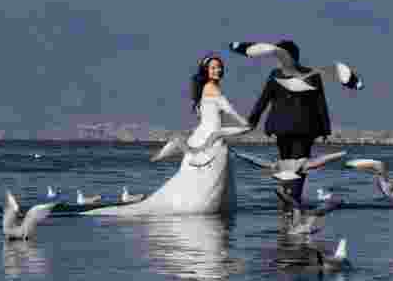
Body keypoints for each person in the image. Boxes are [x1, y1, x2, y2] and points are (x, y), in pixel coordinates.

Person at [88, 54, 250, 216]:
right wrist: (246, 123)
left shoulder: (203, 90)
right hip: (210, 139)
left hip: (204, 136)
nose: (218, 70)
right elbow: (229, 109)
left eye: (219, 67)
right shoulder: (211, 88)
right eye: (213, 67)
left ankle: (196, 205)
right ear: (206, 70)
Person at [247, 40, 331, 205]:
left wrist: (325, 129)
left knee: (299, 166)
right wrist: (253, 120)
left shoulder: (312, 75)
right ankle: (289, 197)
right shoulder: (275, 74)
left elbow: (320, 103)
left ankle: (292, 197)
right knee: (287, 165)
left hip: (305, 130)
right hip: (283, 129)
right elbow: (264, 98)